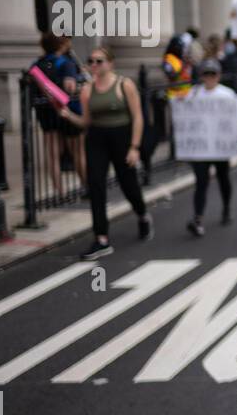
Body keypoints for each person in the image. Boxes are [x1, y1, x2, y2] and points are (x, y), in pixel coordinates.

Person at [55, 45, 152, 260]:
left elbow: (138, 117)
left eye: (99, 61)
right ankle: (101, 239)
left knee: (128, 184)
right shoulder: (87, 90)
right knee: (96, 185)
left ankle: (142, 214)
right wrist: (68, 115)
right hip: (97, 138)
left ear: (110, 64)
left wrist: (134, 147)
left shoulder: (124, 85)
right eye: (91, 61)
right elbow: (86, 121)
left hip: (122, 137)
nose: (94, 65)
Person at [31, 32, 86, 197]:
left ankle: (59, 192)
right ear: (62, 44)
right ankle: (87, 185)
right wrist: (81, 87)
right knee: (77, 151)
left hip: (46, 112)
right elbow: (70, 87)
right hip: (66, 111)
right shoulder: (67, 63)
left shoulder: (37, 64)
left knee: (53, 153)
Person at [184, 58, 235, 236]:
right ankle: (198, 218)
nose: (210, 77)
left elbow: (234, 119)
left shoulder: (227, 94)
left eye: (213, 74)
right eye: (206, 74)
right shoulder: (194, 94)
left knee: (223, 178)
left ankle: (226, 208)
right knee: (201, 182)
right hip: (202, 147)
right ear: (202, 76)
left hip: (219, 146)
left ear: (218, 76)